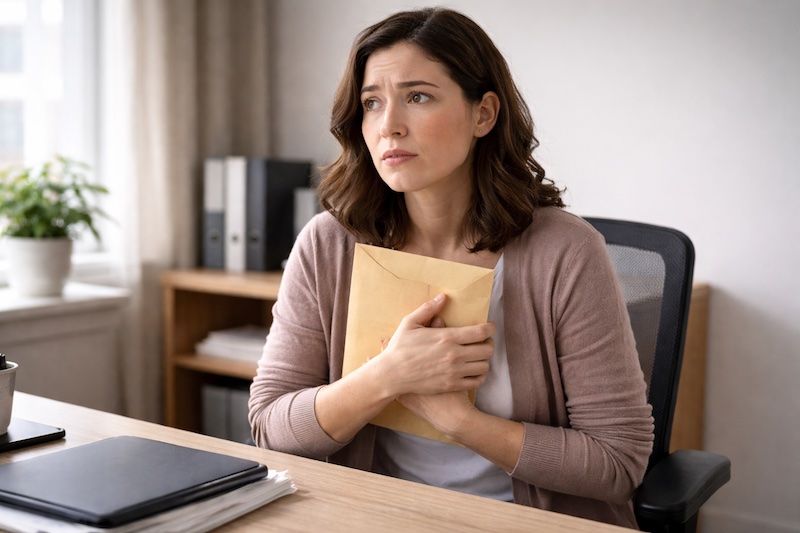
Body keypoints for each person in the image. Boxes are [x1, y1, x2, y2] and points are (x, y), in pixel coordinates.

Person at [249, 7, 654, 529]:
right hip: (375, 517)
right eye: (372, 103)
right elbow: (270, 427)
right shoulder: (327, 244)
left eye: (418, 97)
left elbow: (618, 463)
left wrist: (457, 418)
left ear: (484, 114)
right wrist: (388, 376)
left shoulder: (565, 251)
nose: (389, 125)